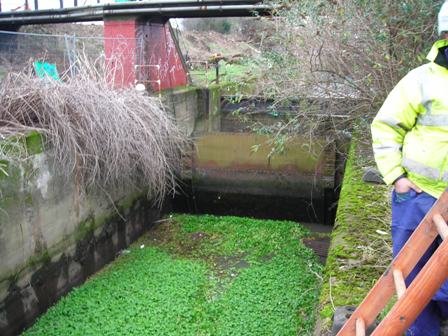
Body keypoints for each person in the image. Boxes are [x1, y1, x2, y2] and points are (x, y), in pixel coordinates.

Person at [371, 1, 448, 335]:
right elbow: (386, 126)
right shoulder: (421, 81)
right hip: (417, 197)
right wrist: (397, 178)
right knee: (414, 273)